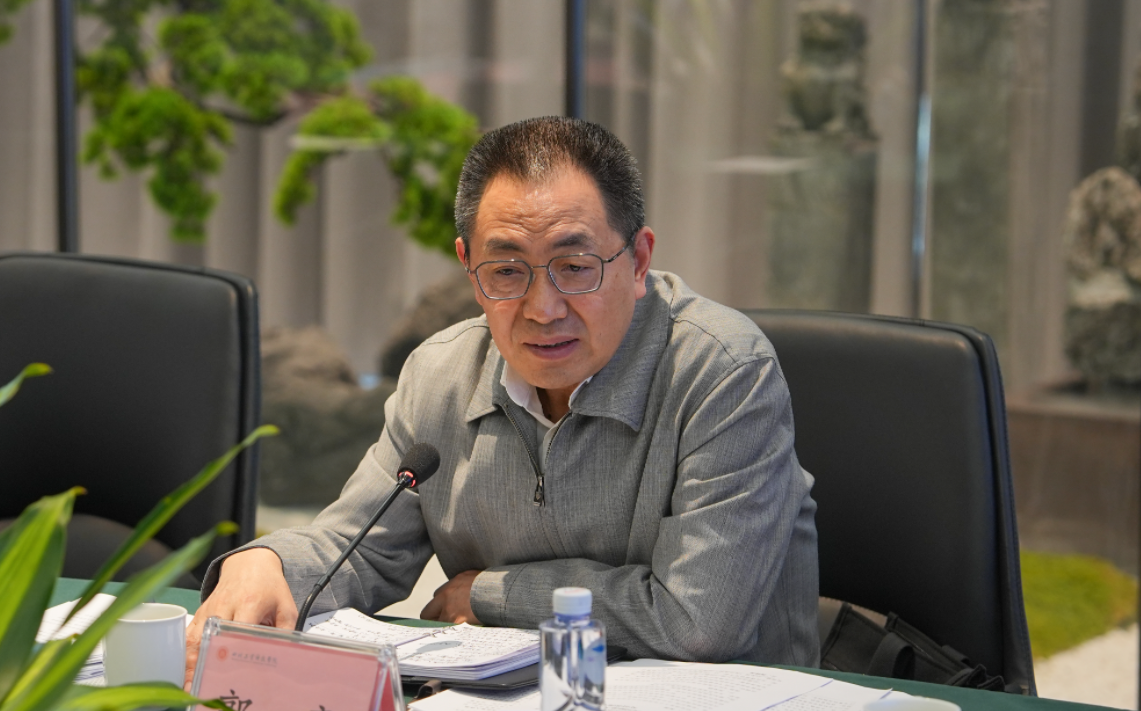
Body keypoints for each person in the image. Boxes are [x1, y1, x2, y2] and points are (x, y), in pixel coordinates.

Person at [187, 117, 819, 681]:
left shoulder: (721, 372)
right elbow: (359, 548)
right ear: (469, 267)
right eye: (507, 271)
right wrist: (269, 562)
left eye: (575, 267)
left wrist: (493, 595)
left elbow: (699, 620)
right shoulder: (440, 375)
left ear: (638, 261)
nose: (543, 309)